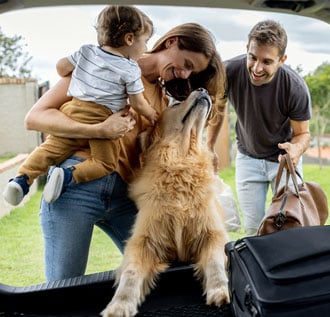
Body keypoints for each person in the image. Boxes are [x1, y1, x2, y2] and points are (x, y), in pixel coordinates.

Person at [22, 21, 226, 282]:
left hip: (123, 194)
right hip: (75, 187)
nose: (185, 74)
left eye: (191, 72)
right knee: (63, 286)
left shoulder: (162, 98)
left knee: (168, 271)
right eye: (186, 64)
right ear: (172, 41)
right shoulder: (102, 65)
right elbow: (35, 117)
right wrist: (99, 130)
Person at [3, 5, 159, 206]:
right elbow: (138, 103)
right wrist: (151, 114)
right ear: (129, 39)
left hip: (73, 111)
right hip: (103, 117)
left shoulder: (86, 52)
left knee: (49, 149)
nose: (146, 48)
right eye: (145, 41)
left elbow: (61, 67)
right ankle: (68, 176)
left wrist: (78, 69)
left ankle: (21, 179)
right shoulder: (130, 69)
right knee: (104, 163)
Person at [223, 20, 312, 236]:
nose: (256, 68)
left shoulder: (294, 86)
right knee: (254, 229)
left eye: (267, 61)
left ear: (282, 60)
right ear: (247, 49)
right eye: (252, 57)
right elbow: (216, 110)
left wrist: (295, 150)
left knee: (289, 227)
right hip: (248, 159)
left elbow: (303, 134)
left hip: (283, 161)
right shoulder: (229, 71)